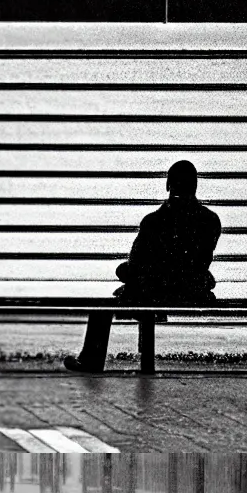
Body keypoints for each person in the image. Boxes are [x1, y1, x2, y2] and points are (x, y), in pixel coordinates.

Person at [64, 159, 223, 372]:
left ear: (168, 185)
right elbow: (203, 261)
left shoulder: (154, 221)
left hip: (154, 291)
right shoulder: (210, 220)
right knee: (141, 282)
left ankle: (91, 360)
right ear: (194, 185)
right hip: (190, 291)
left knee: (106, 302)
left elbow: (136, 262)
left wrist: (129, 275)